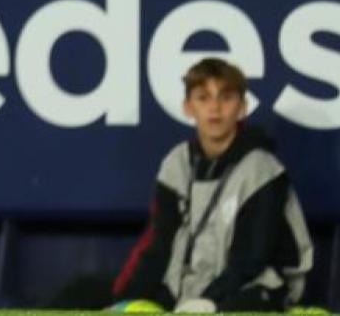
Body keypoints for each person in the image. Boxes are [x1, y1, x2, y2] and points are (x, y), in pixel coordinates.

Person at [112, 58, 314, 313]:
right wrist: (127, 298)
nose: (215, 108)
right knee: (90, 293)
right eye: (203, 97)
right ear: (188, 108)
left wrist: (211, 300)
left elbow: (253, 256)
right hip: (187, 289)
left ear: (242, 108)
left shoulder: (263, 168)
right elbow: (158, 245)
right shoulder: (177, 163)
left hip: (259, 288)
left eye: (226, 98)